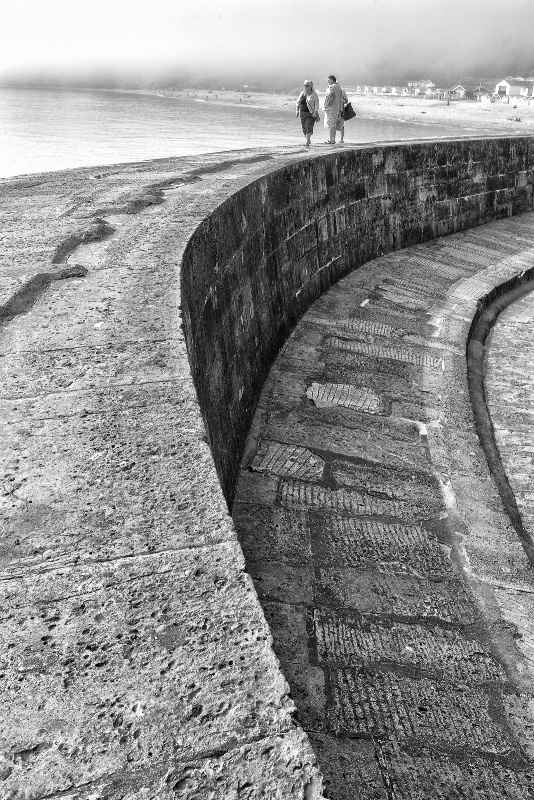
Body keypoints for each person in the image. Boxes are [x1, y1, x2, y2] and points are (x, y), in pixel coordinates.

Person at [296, 80, 320, 148]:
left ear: (311, 86)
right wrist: (297, 111)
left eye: (307, 85)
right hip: (302, 113)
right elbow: (298, 102)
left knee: (308, 126)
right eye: (305, 85)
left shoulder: (314, 94)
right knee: (304, 129)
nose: (305, 87)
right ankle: (308, 140)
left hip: (311, 114)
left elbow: (317, 105)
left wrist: (315, 112)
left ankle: (307, 142)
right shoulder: (302, 93)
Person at [323, 75, 346, 144]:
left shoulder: (332, 87)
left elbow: (330, 94)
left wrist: (328, 103)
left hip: (331, 109)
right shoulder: (338, 87)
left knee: (331, 125)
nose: (327, 82)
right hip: (336, 109)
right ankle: (333, 139)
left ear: (331, 80)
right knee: (333, 125)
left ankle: (331, 140)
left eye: (328, 80)